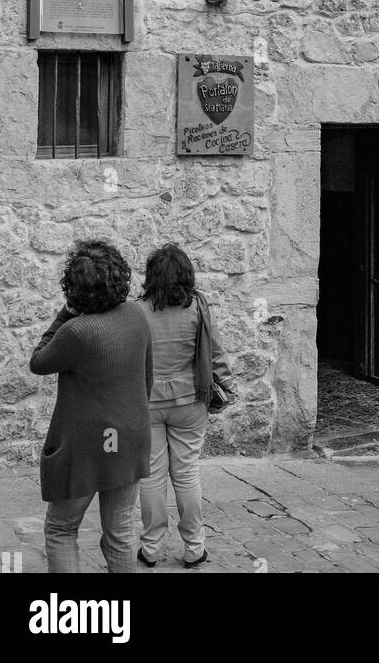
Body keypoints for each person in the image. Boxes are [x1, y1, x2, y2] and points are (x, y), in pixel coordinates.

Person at [29, 239, 152, 574]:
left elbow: (39, 360)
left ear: (74, 288)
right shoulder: (136, 315)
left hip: (86, 445)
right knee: (121, 530)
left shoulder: (77, 330)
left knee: (61, 528)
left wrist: (66, 312)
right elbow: (147, 377)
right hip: (128, 435)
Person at [137, 243, 235, 568]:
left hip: (147, 401)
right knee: (187, 473)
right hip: (191, 400)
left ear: (151, 276)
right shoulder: (198, 307)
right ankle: (194, 548)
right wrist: (228, 387)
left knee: (151, 475)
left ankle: (150, 549)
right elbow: (215, 352)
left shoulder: (136, 311)